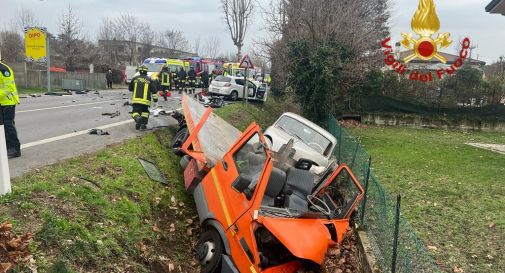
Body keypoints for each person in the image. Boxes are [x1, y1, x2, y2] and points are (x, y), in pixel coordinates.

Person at [0, 60, 21, 158]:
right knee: (2, 127)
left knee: (8, 125)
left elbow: (9, 88)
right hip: (1, 102)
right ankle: (6, 147)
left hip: (8, 102)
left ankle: (15, 149)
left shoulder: (3, 69)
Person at [128, 65, 158, 130]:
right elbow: (154, 91)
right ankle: (143, 124)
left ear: (139, 71)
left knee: (135, 112)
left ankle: (137, 118)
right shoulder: (149, 80)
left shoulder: (135, 78)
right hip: (146, 102)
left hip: (136, 101)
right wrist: (155, 101)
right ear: (146, 71)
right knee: (145, 113)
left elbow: (130, 89)